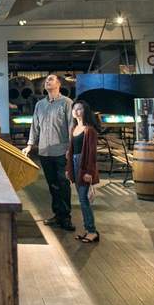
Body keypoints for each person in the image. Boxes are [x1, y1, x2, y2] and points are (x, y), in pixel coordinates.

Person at [22, 74, 75, 231]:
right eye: (46, 81)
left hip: (61, 151)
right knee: (52, 185)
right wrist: (30, 144)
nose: (47, 82)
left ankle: (66, 217)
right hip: (45, 152)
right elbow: (35, 126)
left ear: (59, 84)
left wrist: (70, 148)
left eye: (51, 79)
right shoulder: (40, 105)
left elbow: (71, 127)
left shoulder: (67, 103)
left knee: (63, 184)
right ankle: (57, 215)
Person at [66, 99, 100, 243]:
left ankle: (92, 231)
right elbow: (71, 150)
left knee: (84, 199)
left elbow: (92, 154)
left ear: (85, 111)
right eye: (74, 108)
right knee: (82, 199)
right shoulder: (74, 129)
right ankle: (88, 230)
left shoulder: (89, 130)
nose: (76, 111)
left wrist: (89, 172)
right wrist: (69, 169)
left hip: (84, 164)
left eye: (80, 108)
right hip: (75, 163)